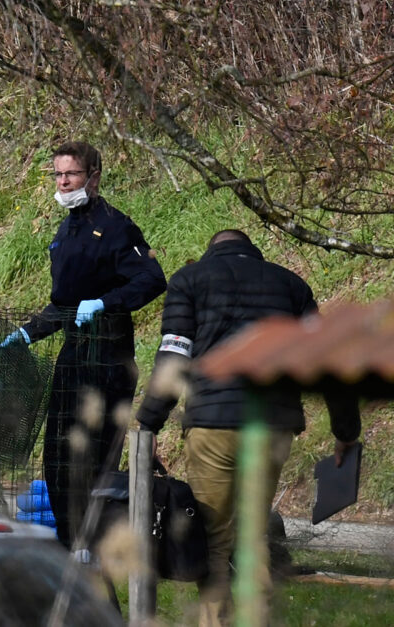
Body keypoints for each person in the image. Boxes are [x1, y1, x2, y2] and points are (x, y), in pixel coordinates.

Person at [135, 229, 360, 627]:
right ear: (253, 254)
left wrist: (149, 424)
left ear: (211, 253)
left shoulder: (190, 281)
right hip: (271, 425)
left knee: (215, 537)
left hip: (213, 425)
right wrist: (346, 432)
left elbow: (174, 356)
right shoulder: (290, 285)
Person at [1, 140, 166, 550]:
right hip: (73, 357)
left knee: (90, 461)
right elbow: (63, 303)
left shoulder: (115, 226)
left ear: (93, 176)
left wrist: (107, 303)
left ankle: (91, 546)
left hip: (107, 361)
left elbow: (151, 279)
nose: (62, 182)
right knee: (57, 457)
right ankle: (68, 542)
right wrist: (29, 332)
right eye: (57, 174)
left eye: (70, 174)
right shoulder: (66, 228)